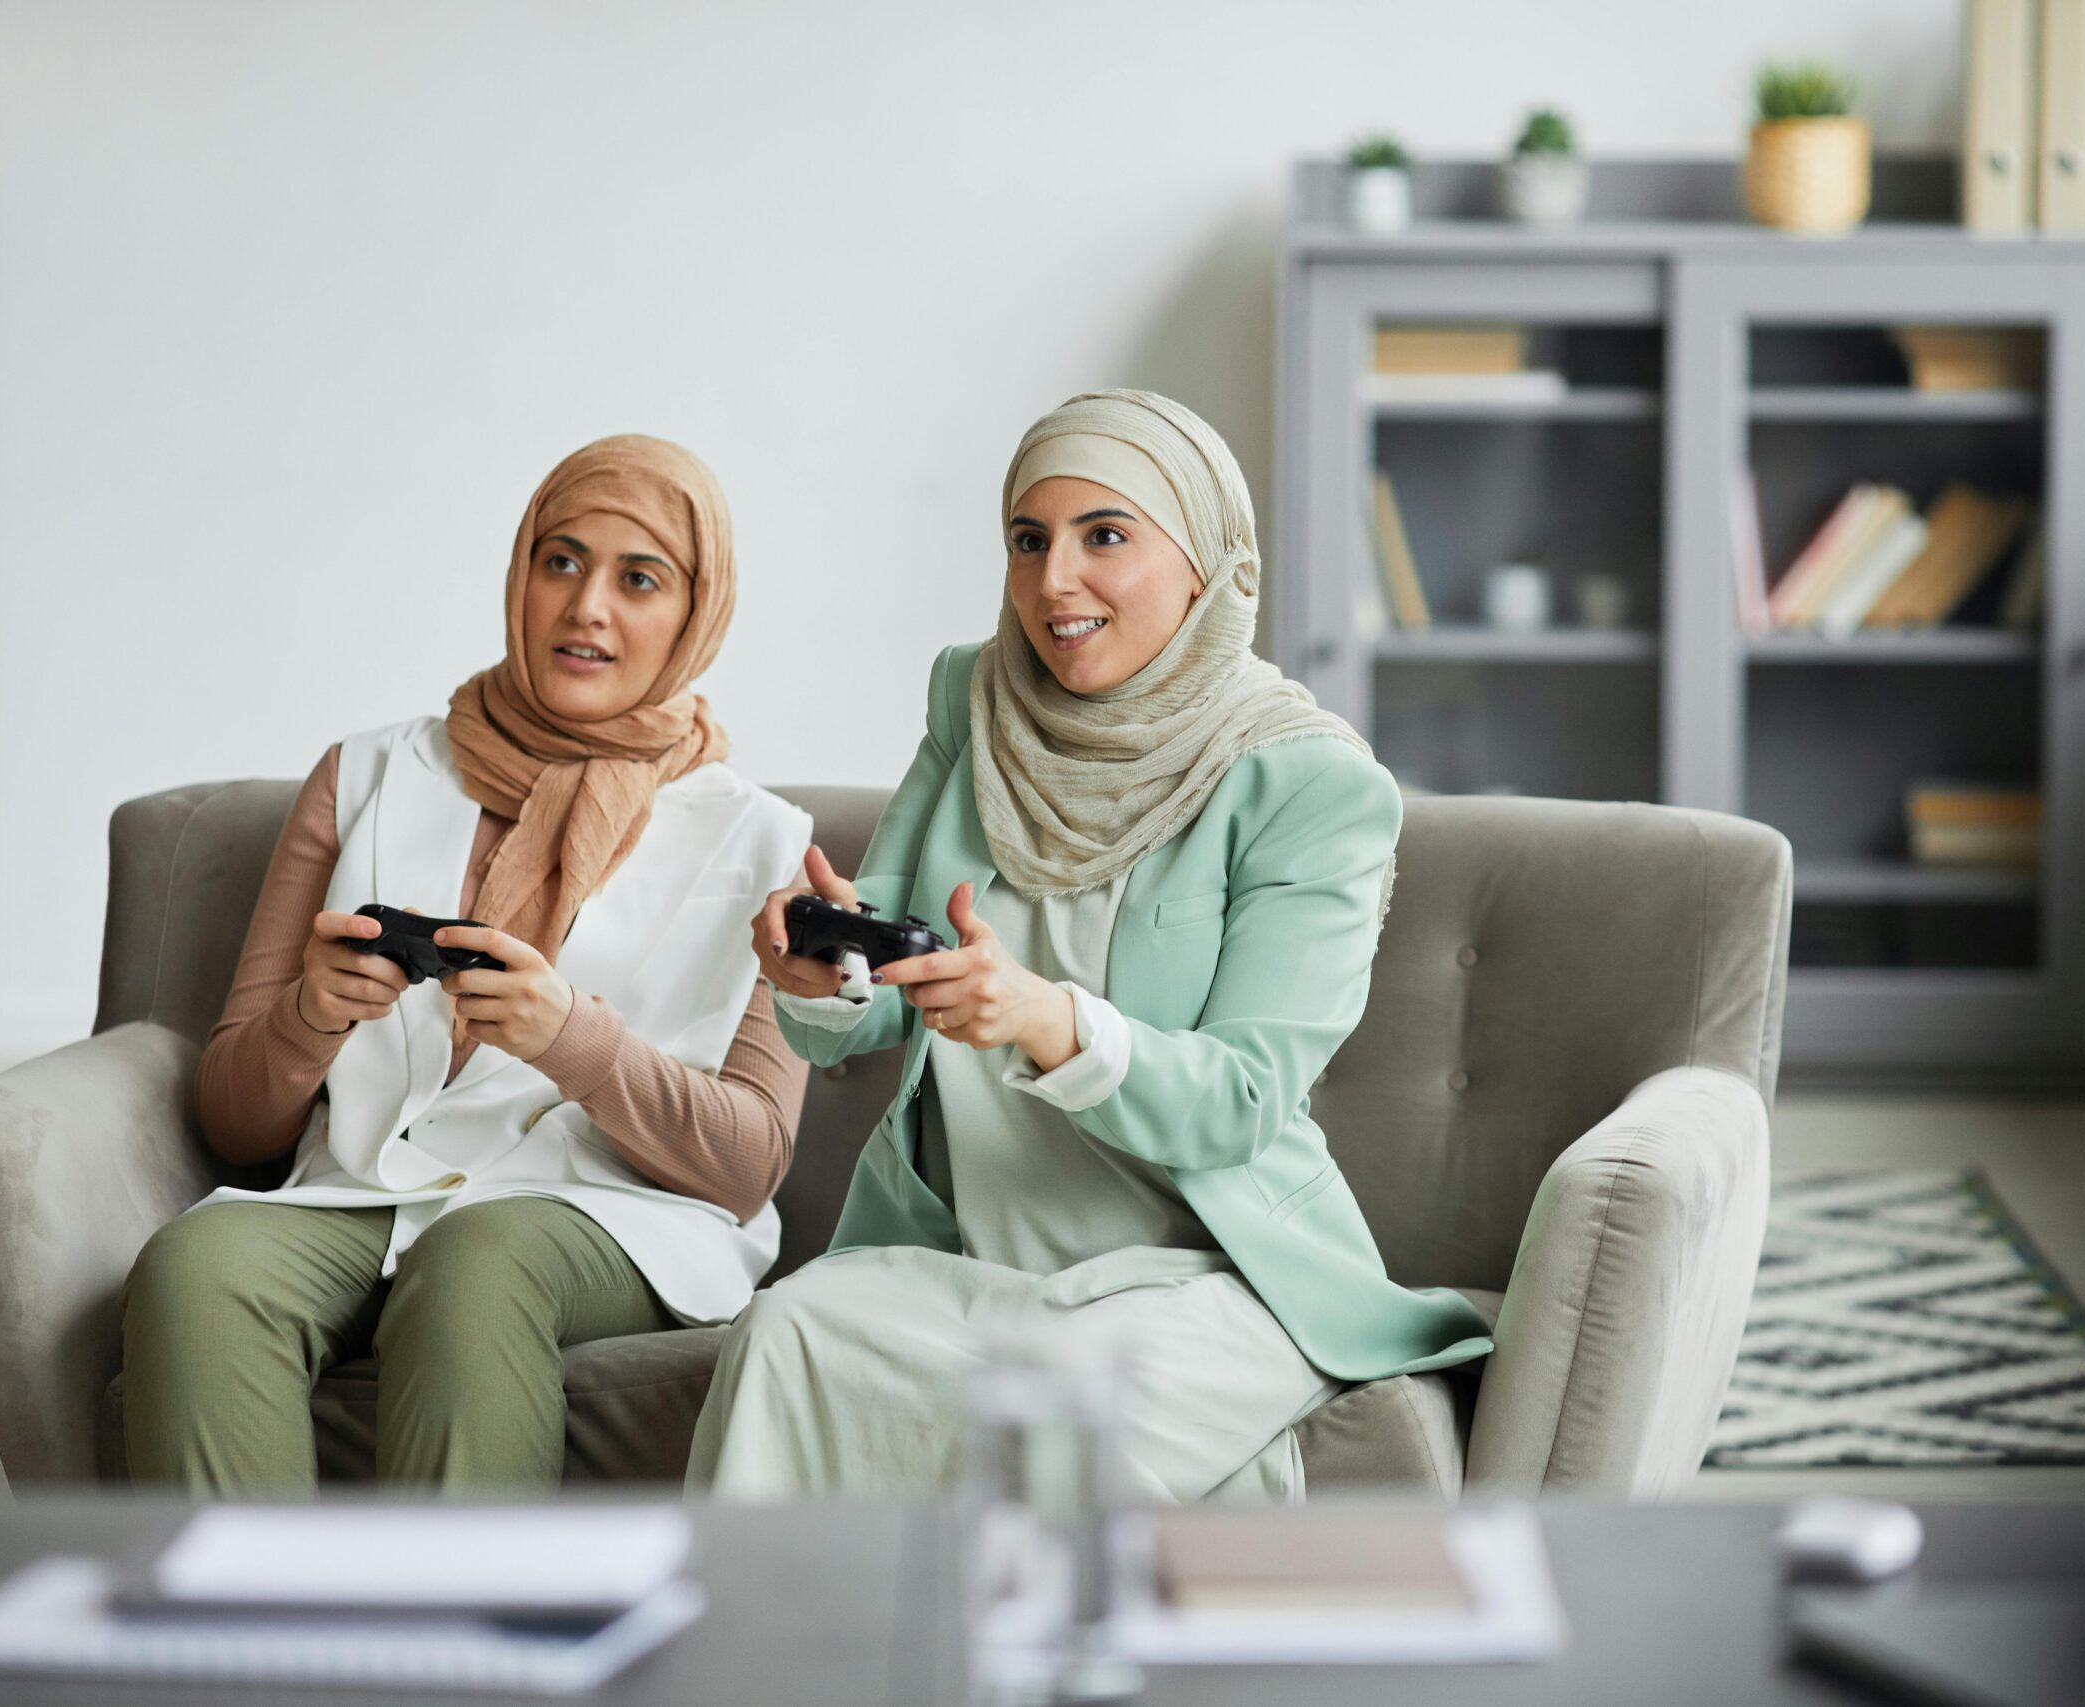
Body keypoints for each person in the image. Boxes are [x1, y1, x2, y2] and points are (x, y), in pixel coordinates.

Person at [687, 390, 1491, 1502]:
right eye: (1029, 540)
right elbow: (890, 987)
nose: (1052, 579)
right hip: (975, 1258)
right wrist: (822, 970)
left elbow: (1245, 1096)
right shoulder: (975, 699)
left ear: (1204, 562)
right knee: (787, 1334)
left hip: (1207, 1272)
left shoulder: (1308, 780)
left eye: (1103, 535)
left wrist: (1047, 1020)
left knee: (1060, 1413)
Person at [120, 435, 812, 1493]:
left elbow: (745, 1164)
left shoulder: (764, 842)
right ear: (520, 577)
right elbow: (231, 1123)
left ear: (694, 613)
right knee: (198, 1265)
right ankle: (247, 1642)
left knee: (478, 1262)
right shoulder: (367, 774)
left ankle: (464, 1650)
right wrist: (313, 1015)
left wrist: (571, 1041)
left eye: (640, 580)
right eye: (561, 562)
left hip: (611, 1217)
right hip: (362, 1193)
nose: (587, 608)